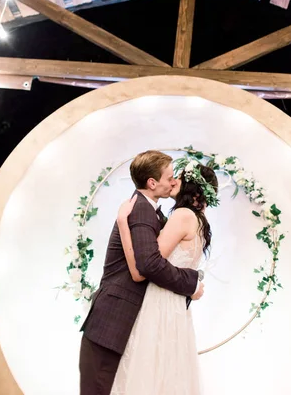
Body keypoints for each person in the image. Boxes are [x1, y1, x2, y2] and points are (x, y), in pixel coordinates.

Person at [79, 151, 205, 395]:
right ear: (152, 182)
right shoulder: (141, 211)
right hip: (112, 323)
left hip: (120, 323)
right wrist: (191, 281)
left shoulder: (151, 211)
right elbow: (147, 266)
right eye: (170, 177)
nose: (173, 182)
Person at [111, 158, 218, 395]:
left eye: (179, 177)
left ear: (192, 185)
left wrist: (123, 224)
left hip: (159, 302)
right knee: (169, 370)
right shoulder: (200, 220)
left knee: (149, 368)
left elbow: (146, 265)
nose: (174, 181)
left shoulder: (182, 215)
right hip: (177, 306)